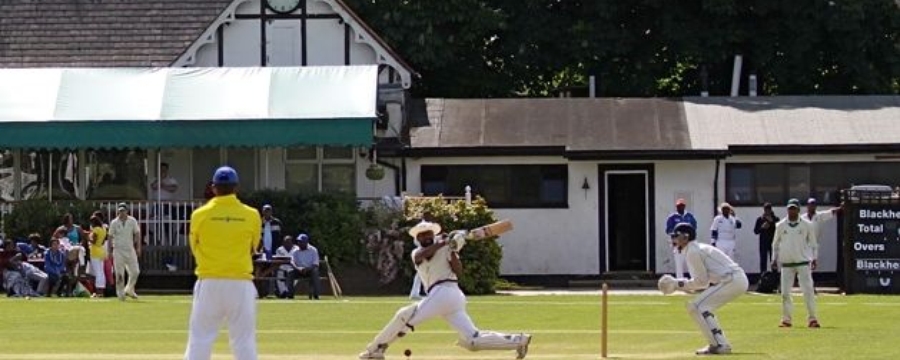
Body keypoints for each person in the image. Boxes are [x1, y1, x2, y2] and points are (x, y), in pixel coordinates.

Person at [358, 221, 532, 360]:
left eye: (428, 234)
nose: (426, 237)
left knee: (405, 317)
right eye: (422, 235)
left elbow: (458, 271)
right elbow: (423, 256)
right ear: (418, 239)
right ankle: (518, 340)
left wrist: (454, 249)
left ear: (433, 235)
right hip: (445, 297)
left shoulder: (446, 248)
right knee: (472, 340)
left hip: (447, 292)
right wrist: (445, 242)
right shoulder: (417, 252)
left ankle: (376, 350)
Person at [184, 166, 261, 360]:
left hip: (209, 281)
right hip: (240, 283)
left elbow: (194, 246)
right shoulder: (251, 215)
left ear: (214, 188)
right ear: (236, 188)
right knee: (244, 341)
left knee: (200, 339)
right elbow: (254, 247)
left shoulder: (199, 215)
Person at [658, 222, 748, 355]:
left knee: (697, 306)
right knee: (700, 307)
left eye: (676, 236)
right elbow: (703, 282)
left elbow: (702, 282)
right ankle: (717, 343)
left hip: (732, 280)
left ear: (685, 237)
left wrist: (677, 284)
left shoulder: (693, 251)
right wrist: (679, 284)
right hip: (733, 279)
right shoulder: (694, 249)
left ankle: (720, 344)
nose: (674, 240)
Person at [771, 198, 820, 328]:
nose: (792, 211)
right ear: (787, 209)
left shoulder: (807, 225)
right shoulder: (780, 225)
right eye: (790, 209)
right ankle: (786, 319)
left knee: (808, 291)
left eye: (794, 209)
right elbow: (775, 244)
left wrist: (814, 258)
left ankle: (812, 319)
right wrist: (774, 259)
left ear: (798, 209)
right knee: (785, 293)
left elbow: (813, 243)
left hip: (803, 262)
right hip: (786, 263)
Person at [108, 203, 142, 301]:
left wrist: (138, 247)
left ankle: (129, 289)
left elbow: (137, 234)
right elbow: (110, 236)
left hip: (130, 249)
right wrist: (109, 250)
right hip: (118, 250)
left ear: (127, 211)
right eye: (120, 211)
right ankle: (120, 294)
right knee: (119, 274)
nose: (121, 213)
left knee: (135, 271)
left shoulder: (132, 221)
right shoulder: (114, 222)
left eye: (123, 211)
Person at [665, 198, 697, 278]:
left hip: (688, 242)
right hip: (678, 243)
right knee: (679, 263)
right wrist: (677, 235)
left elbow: (694, 227)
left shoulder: (690, 216)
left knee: (690, 261)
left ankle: (693, 279)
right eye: (678, 206)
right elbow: (668, 230)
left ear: (684, 206)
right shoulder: (672, 217)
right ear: (676, 207)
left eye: (682, 206)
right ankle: (680, 281)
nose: (680, 207)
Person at [290, 234, 321, 300]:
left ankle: (316, 294)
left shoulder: (313, 250)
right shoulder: (295, 250)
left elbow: (315, 264)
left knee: (315, 272)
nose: (299, 243)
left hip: (310, 270)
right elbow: (292, 262)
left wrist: (307, 269)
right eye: (298, 241)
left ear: (306, 242)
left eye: (301, 242)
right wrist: (298, 268)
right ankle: (290, 294)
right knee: (290, 272)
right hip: (298, 270)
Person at [753, 203, 780, 273]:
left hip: (773, 242)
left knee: (773, 260)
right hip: (763, 242)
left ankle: (775, 277)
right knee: (763, 260)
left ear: (771, 210)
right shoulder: (760, 219)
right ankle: (763, 276)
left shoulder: (775, 218)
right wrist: (762, 227)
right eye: (766, 210)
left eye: (768, 210)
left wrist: (772, 223)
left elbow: (779, 229)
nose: (767, 211)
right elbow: (756, 231)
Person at [88, 215, 108, 298]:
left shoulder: (96, 230)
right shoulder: (103, 229)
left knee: (97, 272)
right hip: (101, 251)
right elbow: (102, 241)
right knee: (101, 272)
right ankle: (101, 291)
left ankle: (98, 291)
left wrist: (88, 238)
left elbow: (94, 241)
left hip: (95, 252)